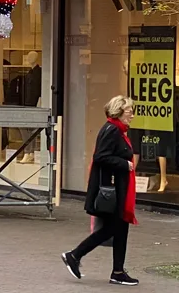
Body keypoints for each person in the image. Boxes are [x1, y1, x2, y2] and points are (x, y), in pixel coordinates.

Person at [61, 95, 139, 286]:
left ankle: (118, 271)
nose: (132, 115)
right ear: (119, 112)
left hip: (117, 189)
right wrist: (125, 164)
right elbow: (101, 156)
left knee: (120, 228)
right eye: (129, 111)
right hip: (112, 190)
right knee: (113, 228)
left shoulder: (117, 130)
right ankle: (75, 255)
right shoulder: (112, 130)